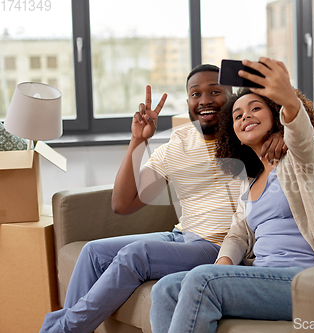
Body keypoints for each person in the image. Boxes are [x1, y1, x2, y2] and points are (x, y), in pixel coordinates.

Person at [39, 64, 290, 333]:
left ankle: (61, 329)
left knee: (137, 255)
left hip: (219, 245)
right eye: (195, 94)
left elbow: (304, 147)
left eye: (215, 91)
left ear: (231, 97)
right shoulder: (179, 143)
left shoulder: (248, 136)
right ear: (188, 102)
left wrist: (282, 132)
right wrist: (138, 140)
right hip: (183, 235)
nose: (205, 100)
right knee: (93, 253)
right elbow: (122, 204)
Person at [149, 58, 314, 333]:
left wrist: (287, 98)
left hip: (306, 280)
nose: (245, 116)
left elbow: (301, 135)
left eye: (255, 109)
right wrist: (222, 265)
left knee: (202, 280)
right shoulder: (248, 182)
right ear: (234, 133)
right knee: (165, 288)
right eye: (237, 115)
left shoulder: (300, 163)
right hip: (264, 276)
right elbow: (237, 235)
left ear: (275, 116)